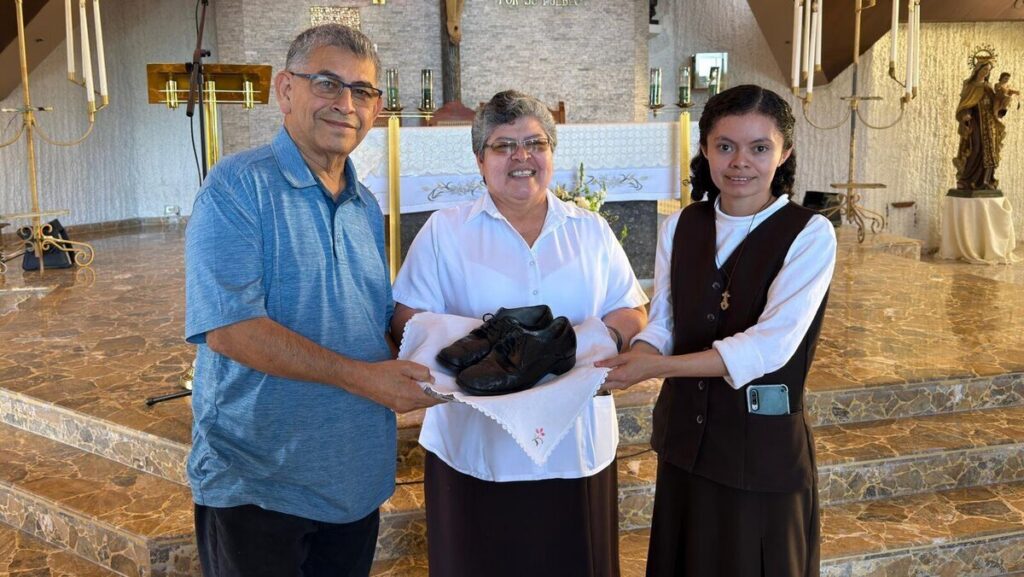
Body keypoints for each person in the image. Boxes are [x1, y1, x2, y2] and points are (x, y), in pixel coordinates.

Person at [184, 24, 438, 577]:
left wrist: (441, 340)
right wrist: (364, 378)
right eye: (327, 83)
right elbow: (232, 329)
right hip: (258, 482)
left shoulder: (364, 204)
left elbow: (367, 316)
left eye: (363, 91)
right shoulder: (236, 187)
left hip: (352, 478)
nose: (346, 104)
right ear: (286, 90)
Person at [391, 90, 649, 577]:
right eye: (503, 145)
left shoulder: (590, 231)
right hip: (474, 449)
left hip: (575, 447)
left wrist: (587, 349)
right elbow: (407, 318)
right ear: (480, 160)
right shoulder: (445, 232)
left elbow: (631, 309)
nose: (521, 157)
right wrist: (484, 344)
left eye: (535, 143)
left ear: (552, 153)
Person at [597, 84, 836, 577]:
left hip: (760, 452)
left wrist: (655, 367)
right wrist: (630, 357)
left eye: (759, 148)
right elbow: (664, 320)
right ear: (705, 148)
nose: (739, 162)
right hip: (687, 443)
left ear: (784, 152)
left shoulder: (810, 233)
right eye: (725, 146)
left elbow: (770, 346)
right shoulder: (681, 225)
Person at [953, 57, 1007, 190]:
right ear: (977, 69)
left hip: (989, 123)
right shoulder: (970, 86)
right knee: (976, 148)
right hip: (975, 122)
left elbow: (996, 106)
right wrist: (965, 114)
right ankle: (966, 179)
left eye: (988, 70)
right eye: (984, 69)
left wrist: (1003, 100)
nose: (986, 72)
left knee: (989, 151)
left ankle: (985, 181)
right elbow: (965, 104)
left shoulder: (988, 87)